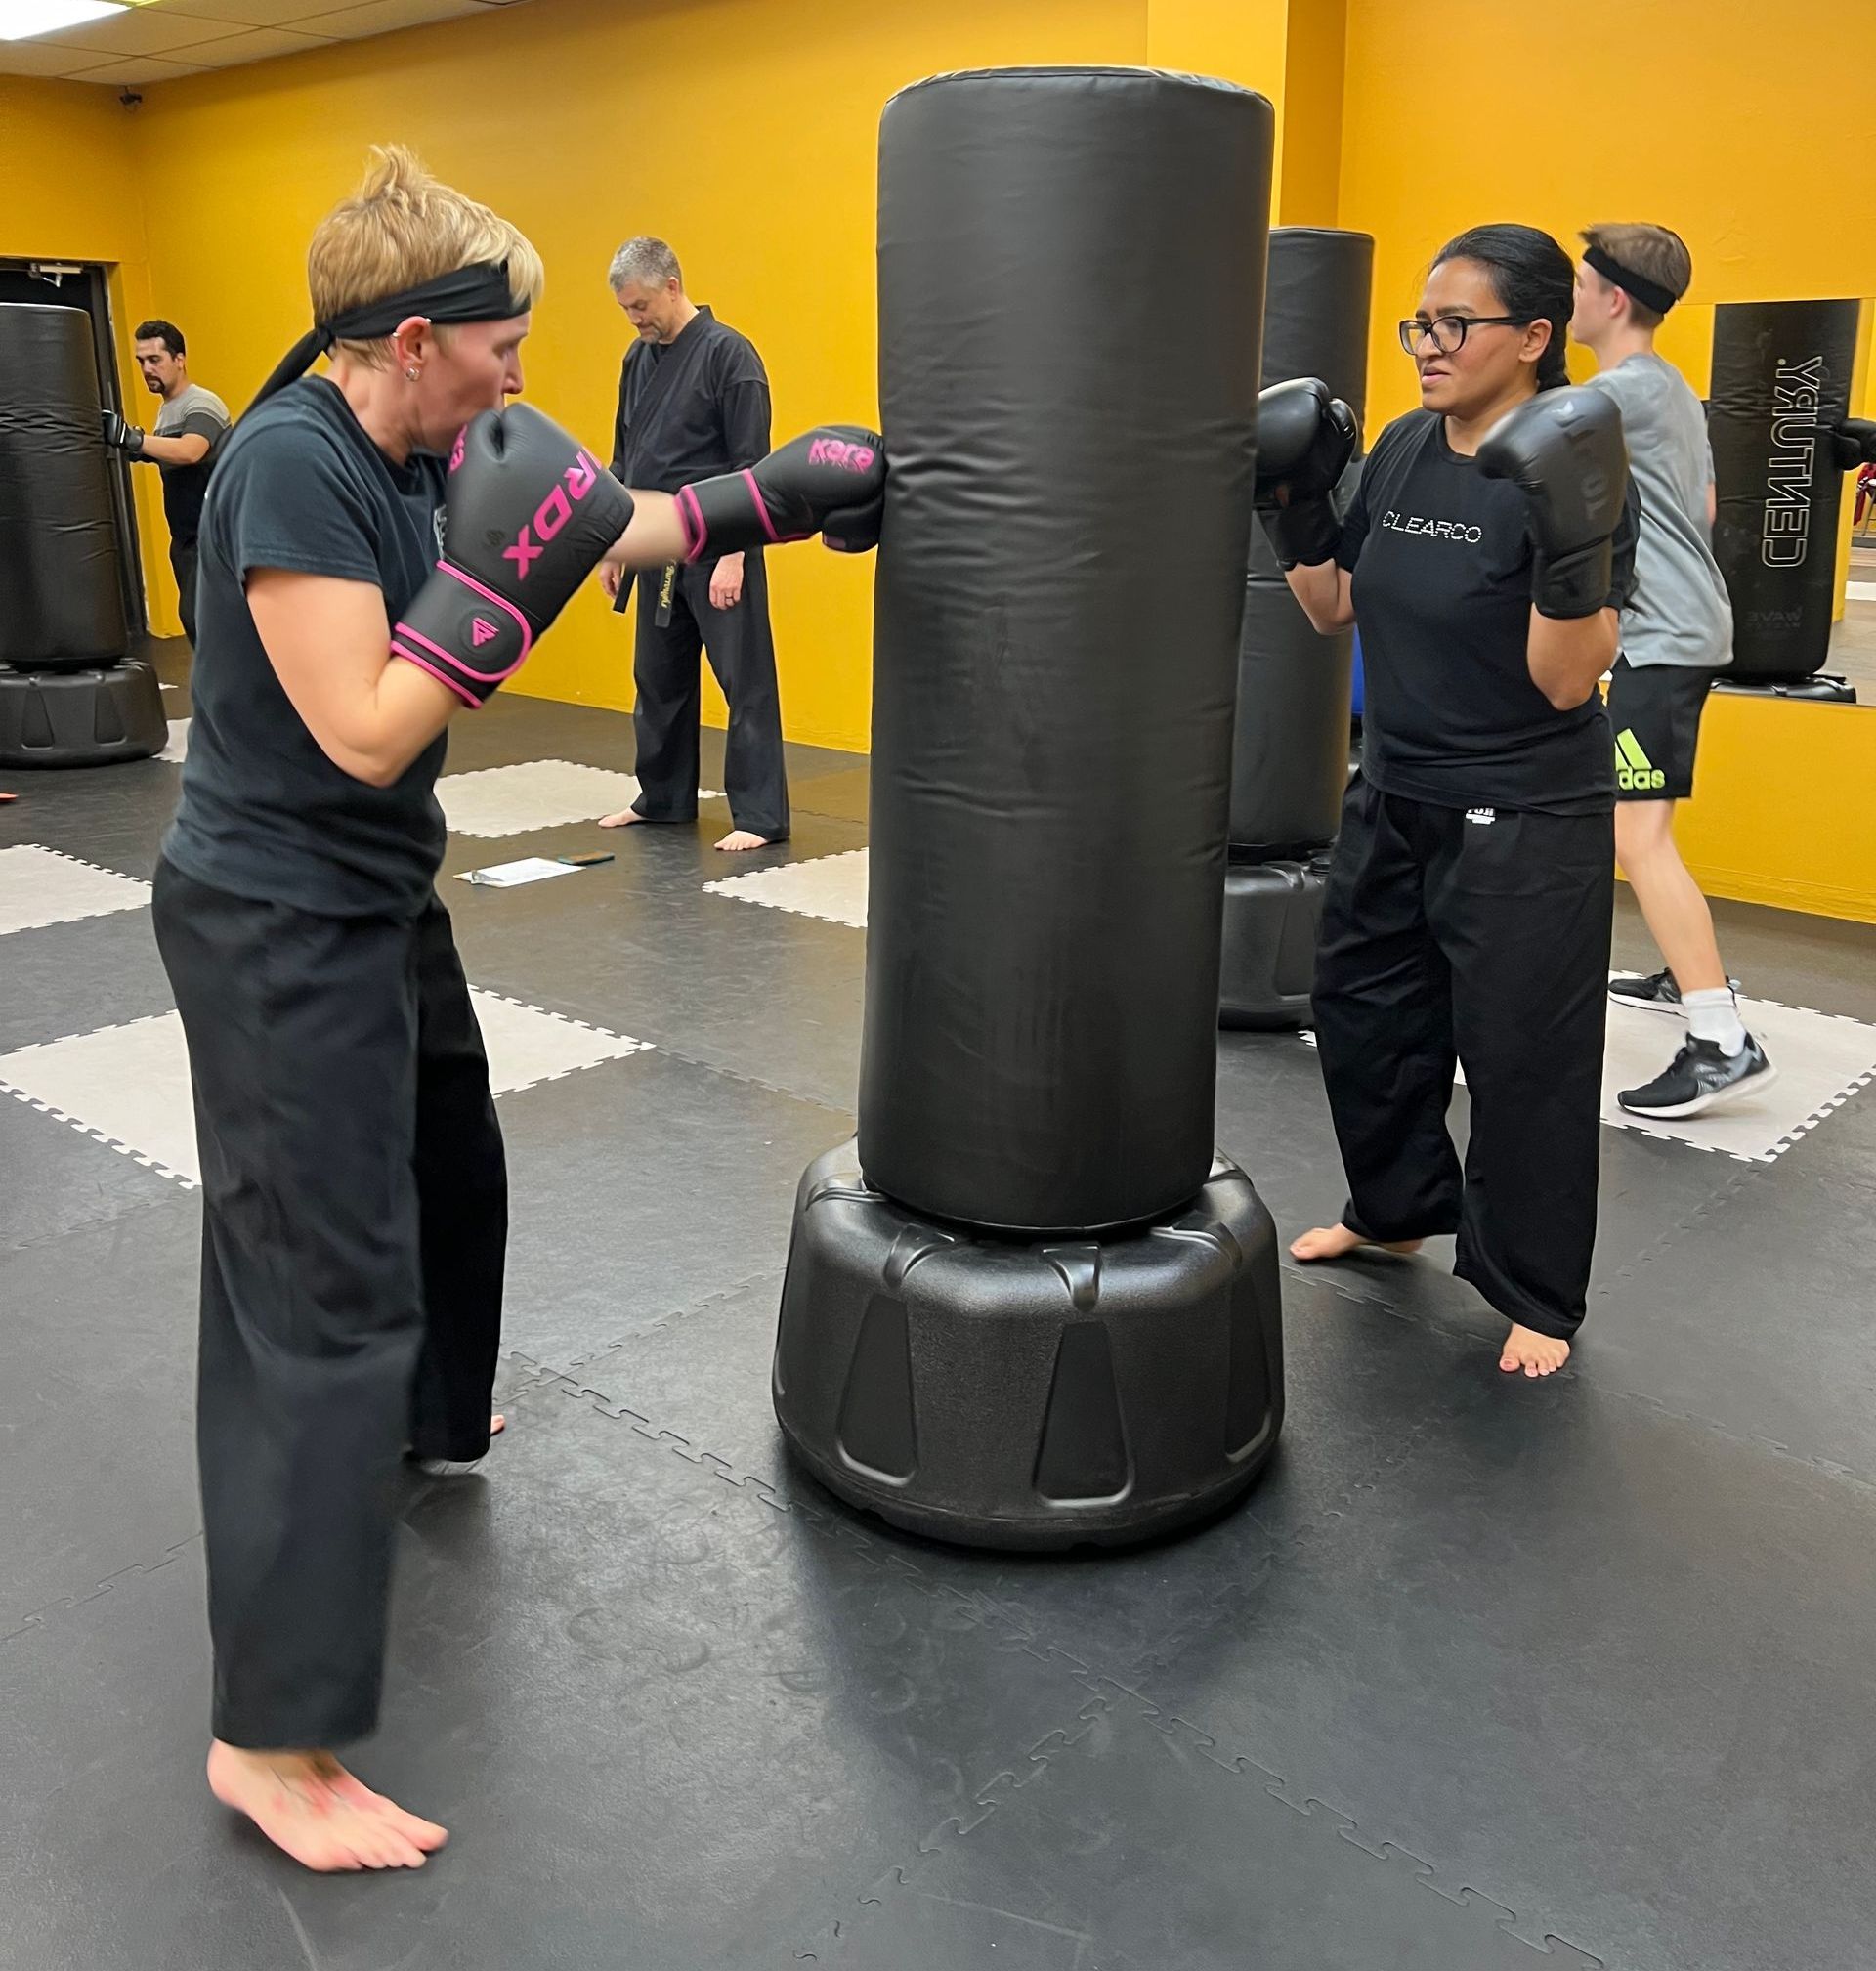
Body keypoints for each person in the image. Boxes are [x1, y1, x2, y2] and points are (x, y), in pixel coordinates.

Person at [148, 146, 883, 1875]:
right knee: (313, 1293)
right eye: (502, 347)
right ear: (413, 340)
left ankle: (430, 1413)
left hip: (373, 897)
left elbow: (616, 521)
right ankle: (269, 1739)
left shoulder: (430, 444)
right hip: (273, 917)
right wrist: (487, 602)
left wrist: (785, 491)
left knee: (452, 1166)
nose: (521, 378)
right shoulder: (287, 465)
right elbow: (363, 728)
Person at [1264, 224, 1639, 1378]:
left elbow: (1566, 679)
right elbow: (1334, 608)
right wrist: (1286, 500)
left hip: (1526, 812)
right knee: (1366, 1015)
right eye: (1418, 324)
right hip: (1395, 787)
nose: (1427, 344)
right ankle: (1394, 1206)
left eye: (1453, 324)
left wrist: (1573, 542)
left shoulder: (1569, 463)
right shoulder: (1404, 447)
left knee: (1522, 1055)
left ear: (1534, 338)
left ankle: (1535, 1291)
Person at [1570, 223, 1774, 1117]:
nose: (1568, 299)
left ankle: (1720, 1039)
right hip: (1682, 626)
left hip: (1664, 636)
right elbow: (1706, 503)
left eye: (1578, 286)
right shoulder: (1670, 390)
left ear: (1613, 299)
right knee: (1639, 826)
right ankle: (1684, 972)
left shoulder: (1616, 395)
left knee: (1636, 835)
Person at [596, 236, 789, 850]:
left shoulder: (731, 356)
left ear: (674, 286)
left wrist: (737, 553)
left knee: (744, 681)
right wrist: (613, 546)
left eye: (642, 305)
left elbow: (752, 470)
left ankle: (759, 817)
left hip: (716, 544)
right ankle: (662, 797)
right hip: (653, 543)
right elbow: (625, 458)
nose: (636, 318)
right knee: (658, 678)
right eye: (627, 309)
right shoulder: (637, 359)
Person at [101, 319, 231, 644]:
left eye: (155, 360)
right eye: (141, 361)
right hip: (186, 539)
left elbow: (190, 451)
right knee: (196, 626)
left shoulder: (201, 402)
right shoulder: (168, 411)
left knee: (209, 627)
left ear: (179, 359)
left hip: (213, 537)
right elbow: (174, 453)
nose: (146, 369)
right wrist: (142, 450)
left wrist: (132, 440)